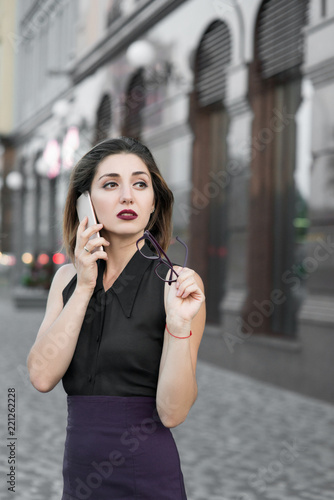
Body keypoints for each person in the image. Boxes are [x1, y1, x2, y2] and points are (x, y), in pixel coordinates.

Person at [27, 136, 206, 500]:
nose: (128, 196)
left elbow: (172, 413)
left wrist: (179, 324)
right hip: (79, 478)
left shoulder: (178, 284)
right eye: (110, 184)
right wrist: (84, 285)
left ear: (154, 201)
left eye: (140, 184)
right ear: (84, 204)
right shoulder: (66, 280)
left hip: (148, 478)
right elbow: (41, 376)